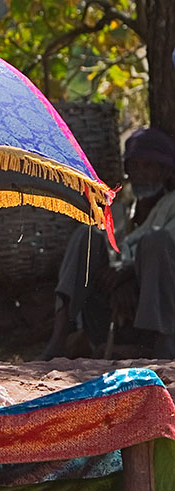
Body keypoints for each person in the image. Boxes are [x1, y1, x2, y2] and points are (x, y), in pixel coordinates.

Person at [39, 127, 175, 360]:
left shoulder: (171, 205)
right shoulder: (121, 210)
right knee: (87, 235)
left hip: (157, 302)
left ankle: (162, 343)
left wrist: (129, 272)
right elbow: (111, 257)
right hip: (113, 302)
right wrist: (119, 278)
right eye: (135, 166)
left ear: (165, 171)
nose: (140, 173)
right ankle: (60, 336)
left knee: (155, 240)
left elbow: (165, 253)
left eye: (149, 166)